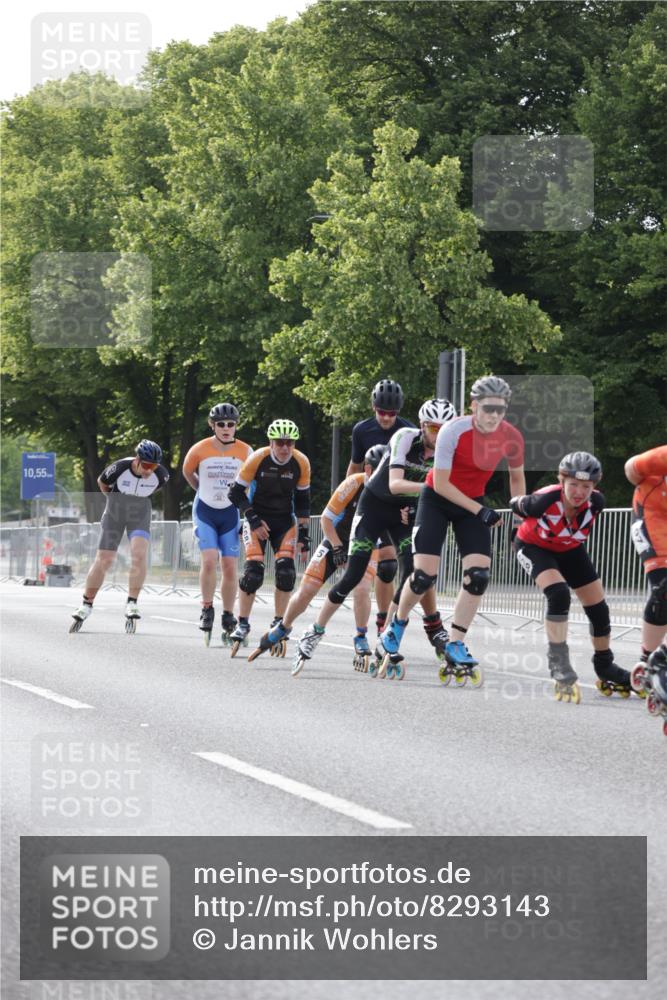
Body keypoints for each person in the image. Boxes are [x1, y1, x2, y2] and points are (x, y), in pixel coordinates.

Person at [292, 399, 457, 678]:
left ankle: (388, 632)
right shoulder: (404, 438)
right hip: (374, 507)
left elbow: (437, 493)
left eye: (444, 428)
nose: (437, 434)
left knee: (411, 572)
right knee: (353, 575)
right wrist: (433, 489)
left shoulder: (447, 453)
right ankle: (314, 631)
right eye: (432, 427)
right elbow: (395, 484)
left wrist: (419, 506)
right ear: (421, 425)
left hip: (400, 512)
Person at [376, 376, 525, 680]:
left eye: (500, 409)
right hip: (438, 499)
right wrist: (480, 510)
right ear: (473, 406)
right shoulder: (454, 431)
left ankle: (455, 643)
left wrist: (519, 520)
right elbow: (441, 483)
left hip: (472, 502)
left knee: (479, 576)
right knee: (423, 576)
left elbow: (517, 479)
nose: (493, 415)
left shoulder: (512, 436)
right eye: (487, 408)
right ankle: (396, 627)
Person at [510, 452, 636, 702]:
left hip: (570, 549)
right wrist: (515, 528)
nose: (579, 492)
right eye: (573, 485)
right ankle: (558, 660)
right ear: (562, 481)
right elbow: (515, 502)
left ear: (594, 487)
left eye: (586, 486)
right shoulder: (543, 500)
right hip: (535, 547)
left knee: (599, 610)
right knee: (558, 595)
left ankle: (605, 665)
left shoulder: (597, 503)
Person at [248, 444, 388, 667]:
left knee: (362, 587)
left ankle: (360, 636)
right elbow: (325, 519)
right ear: (368, 470)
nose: (382, 477)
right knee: (307, 590)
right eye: (377, 472)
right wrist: (337, 547)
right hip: (337, 539)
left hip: (368, 544)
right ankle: (284, 625)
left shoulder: (393, 489)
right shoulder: (353, 483)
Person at [227, 419, 311, 654]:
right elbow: (234, 493)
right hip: (257, 519)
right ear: (271, 443)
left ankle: (278, 622)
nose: (285, 448)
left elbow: (304, 502)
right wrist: (253, 520)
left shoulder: (301, 462)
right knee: (253, 573)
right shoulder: (258, 459)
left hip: (285, 521)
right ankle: (242, 623)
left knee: (286, 573)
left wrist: (304, 534)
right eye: (279, 442)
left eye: (289, 442)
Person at [70, 440, 169, 633]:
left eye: (154, 466)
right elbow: (102, 482)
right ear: (137, 460)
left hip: (139, 511)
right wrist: (113, 500)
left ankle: (132, 601)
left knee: (139, 555)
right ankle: (86, 604)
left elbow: (153, 488)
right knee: (105, 559)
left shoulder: (161, 475)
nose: (150, 470)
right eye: (147, 465)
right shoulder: (120, 467)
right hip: (115, 510)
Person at [347, 379, 414, 637]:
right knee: (366, 567)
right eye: (381, 412)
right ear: (373, 407)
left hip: (398, 502)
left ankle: (383, 619)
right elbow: (354, 467)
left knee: (389, 566)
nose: (386, 418)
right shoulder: (362, 430)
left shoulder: (408, 431)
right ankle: (364, 624)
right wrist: (348, 499)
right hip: (370, 502)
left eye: (392, 413)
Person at [182, 403, 253, 645]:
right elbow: (187, 471)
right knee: (210, 559)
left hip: (230, 513)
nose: (225, 428)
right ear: (213, 425)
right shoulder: (199, 449)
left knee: (231, 566)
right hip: (205, 511)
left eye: (230, 424)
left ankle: (228, 614)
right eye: (220, 424)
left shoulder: (246, 451)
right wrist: (201, 490)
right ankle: (207, 607)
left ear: (236, 426)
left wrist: (247, 512)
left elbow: (250, 483)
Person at [624, 445, 667, 690]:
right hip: (653, 515)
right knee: (664, 588)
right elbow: (631, 468)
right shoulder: (661, 458)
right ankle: (650, 658)